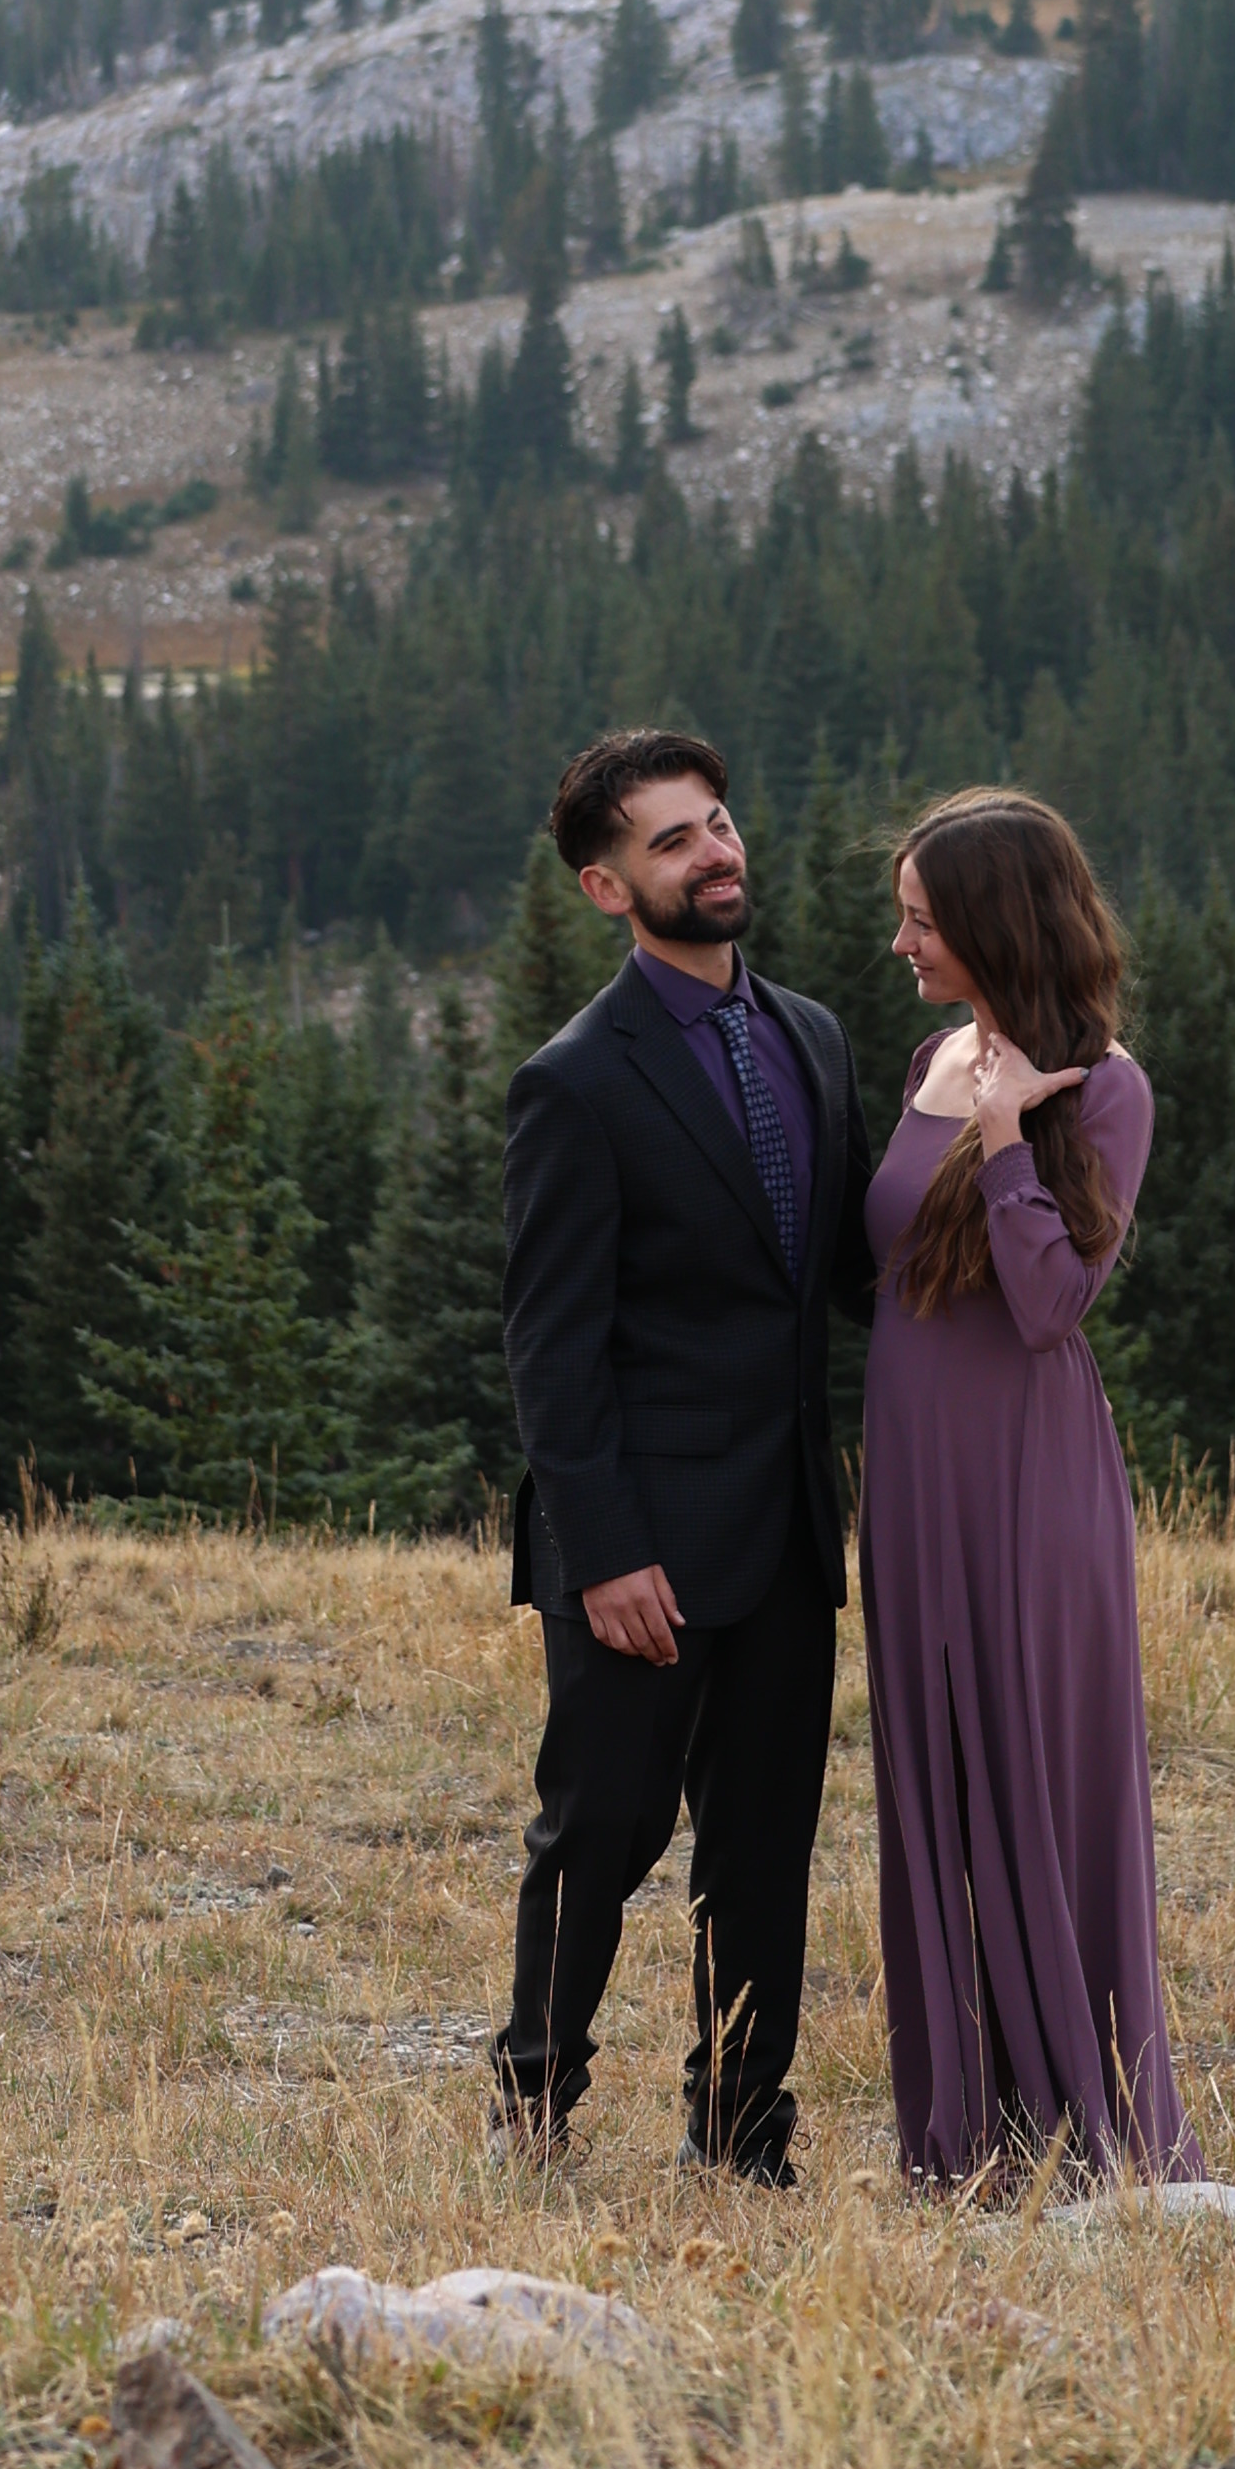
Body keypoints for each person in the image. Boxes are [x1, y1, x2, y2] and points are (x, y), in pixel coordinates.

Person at [491, 726, 872, 2176]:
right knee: (601, 1834)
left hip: (785, 1528)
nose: (715, 853)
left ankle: (744, 2133)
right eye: (672, 840)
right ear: (607, 887)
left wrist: (1008, 1150)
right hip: (637, 1544)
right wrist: (605, 1556)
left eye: (718, 822)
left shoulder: (812, 1037)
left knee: (764, 1848)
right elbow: (553, 1348)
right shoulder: (577, 1082)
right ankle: (533, 2106)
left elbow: (854, 1272)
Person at [862, 786, 1196, 2187]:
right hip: (912, 1483)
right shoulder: (931, 1054)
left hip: (1028, 1484)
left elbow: (1054, 1305)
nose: (902, 944)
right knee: (934, 1787)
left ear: (997, 924)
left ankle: (1090, 2123)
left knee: (1042, 1787)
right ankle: (968, 2134)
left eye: (923, 921)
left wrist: (1006, 1139)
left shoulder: (1106, 1088)